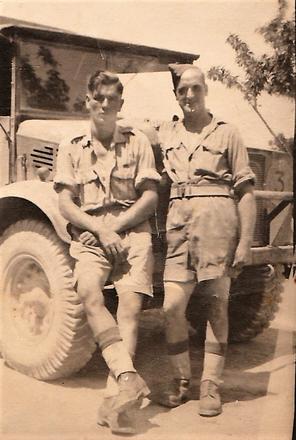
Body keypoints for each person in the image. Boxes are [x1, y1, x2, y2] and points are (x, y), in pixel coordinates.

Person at [54, 70, 160, 434]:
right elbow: (65, 201)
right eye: (97, 97)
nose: (103, 104)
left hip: (132, 232)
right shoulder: (70, 146)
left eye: (111, 98)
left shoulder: (138, 142)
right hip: (92, 233)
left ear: (120, 104)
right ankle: (128, 375)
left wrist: (115, 227)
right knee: (87, 290)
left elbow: (149, 196)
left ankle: (117, 400)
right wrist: (98, 228)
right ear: (88, 101)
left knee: (130, 307)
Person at [154, 64, 256, 416]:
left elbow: (245, 192)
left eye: (195, 88)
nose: (189, 96)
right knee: (171, 306)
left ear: (206, 90)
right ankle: (181, 379)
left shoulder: (228, 133)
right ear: (176, 95)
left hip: (217, 221)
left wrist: (244, 244)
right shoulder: (166, 131)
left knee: (215, 305)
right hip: (179, 223)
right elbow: (132, 134)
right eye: (183, 90)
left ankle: (211, 384)